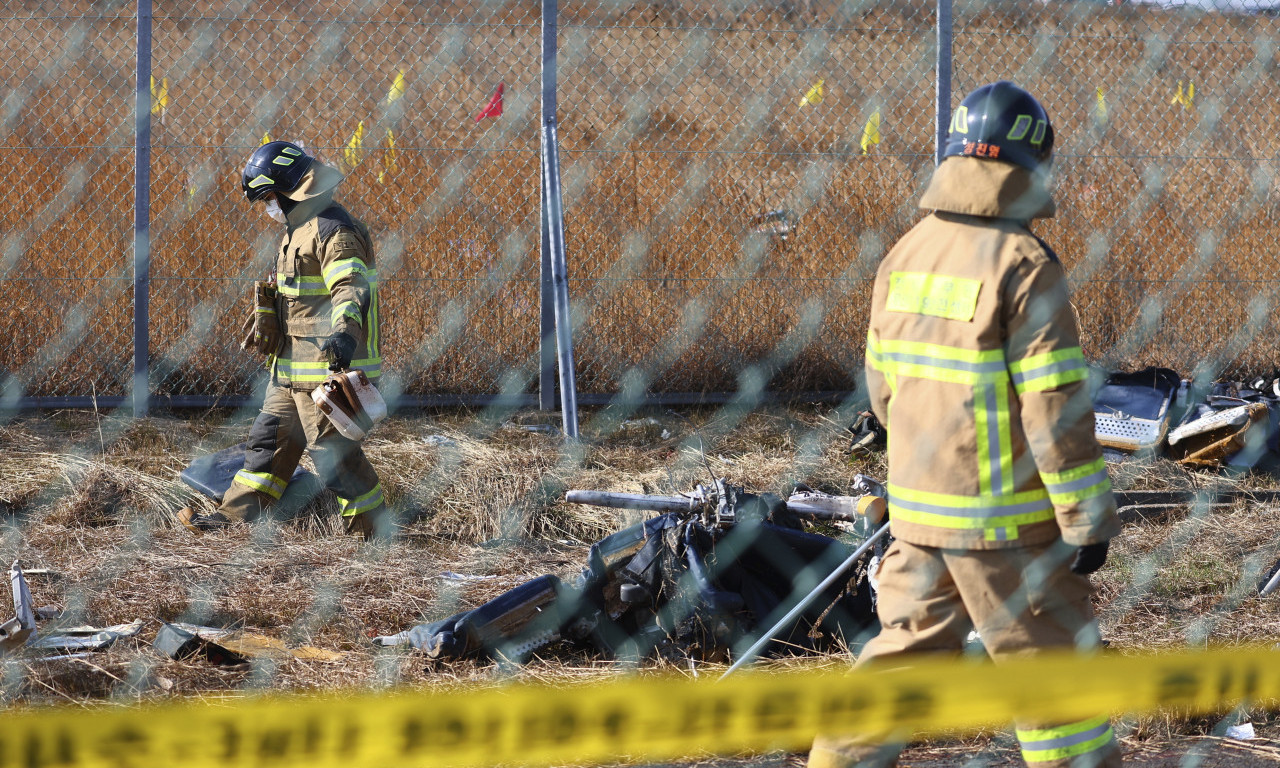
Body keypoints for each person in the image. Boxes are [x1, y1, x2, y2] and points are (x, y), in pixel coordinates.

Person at [809, 82, 1122, 768]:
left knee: (901, 661)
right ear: (1028, 164)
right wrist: (1085, 519)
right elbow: (1054, 407)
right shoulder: (1024, 265)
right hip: (1007, 528)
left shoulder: (905, 254)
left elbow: (884, 391)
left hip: (919, 519)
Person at [177, 140, 389, 541]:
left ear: (289, 190)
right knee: (267, 444)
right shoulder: (299, 229)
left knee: (333, 457)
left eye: (270, 198)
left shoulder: (333, 230)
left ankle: (375, 535)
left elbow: (350, 288)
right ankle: (234, 520)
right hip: (291, 369)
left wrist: (344, 334)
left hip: (328, 369)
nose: (269, 208)